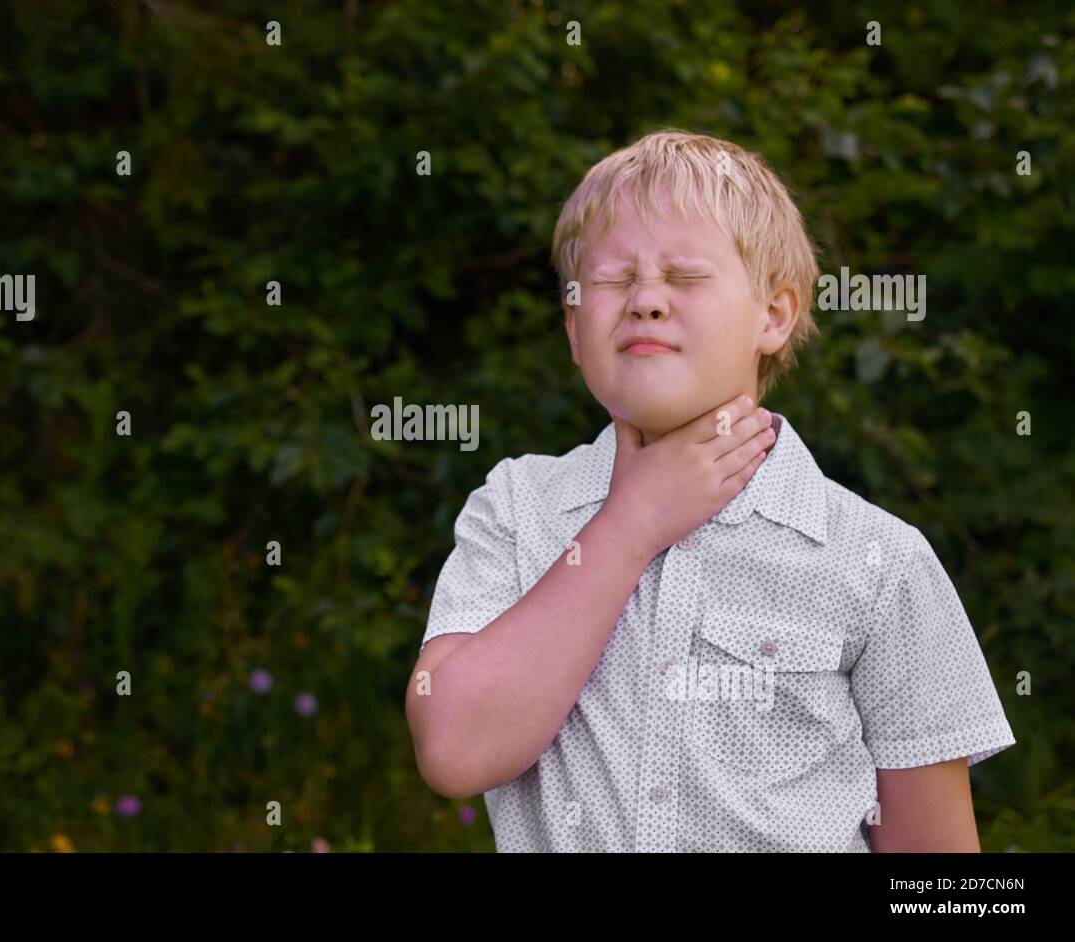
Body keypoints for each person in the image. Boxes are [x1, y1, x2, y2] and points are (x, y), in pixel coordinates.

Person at [405, 129, 1015, 852]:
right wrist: (631, 523)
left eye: (685, 277)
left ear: (775, 315)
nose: (645, 301)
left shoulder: (879, 560)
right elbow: (453, 749)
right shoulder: (516, 508)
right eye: (611, 280)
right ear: (574, 328)